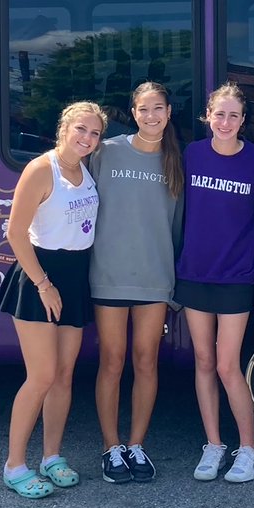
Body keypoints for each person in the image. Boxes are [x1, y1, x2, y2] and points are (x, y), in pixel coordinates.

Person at [0, 101, 106, 499]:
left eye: (94, 133)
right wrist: (44, 284)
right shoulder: (43, 169)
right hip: (40, 279)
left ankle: (52, 457)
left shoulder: (86, 170)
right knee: (41, 375)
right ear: (64, 127)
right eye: (81, 129)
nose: (87, 139)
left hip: (75, 278)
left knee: (63, 376)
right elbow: (15, 232)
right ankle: (15, 465)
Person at [89, 81, 185, 484]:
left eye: (158, 109)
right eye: (143, 109)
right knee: (112, 362)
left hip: (154, 277)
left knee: (146, 362)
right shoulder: (106, 151)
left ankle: (137, 444)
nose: (151, 116)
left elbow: (178, 227)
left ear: (168, 112)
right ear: (133, 112)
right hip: (109, 275)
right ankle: (111, 448)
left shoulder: (175, 160)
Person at [175, 82, 254, 483]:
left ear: (243, 120)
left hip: (235, 276)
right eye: (219, 114)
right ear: (207, 117)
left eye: (234, 115)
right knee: (204, 362)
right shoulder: (192, 155)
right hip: (195, 272)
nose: (226, 121)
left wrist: (246, 235)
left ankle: (250, 449)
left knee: (229, 365)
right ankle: (214, 445)